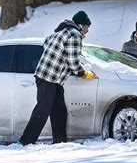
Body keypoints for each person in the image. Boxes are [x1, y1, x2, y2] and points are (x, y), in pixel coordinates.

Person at [18, 11, 97, 146]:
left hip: (51, 78)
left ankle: (60, 142)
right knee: (42, 110)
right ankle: (25, 141)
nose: (88, 30)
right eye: (87, 27)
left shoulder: (60, 32)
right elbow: (73, 61)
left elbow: (47, 43)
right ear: (80, 25)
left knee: (59, 110)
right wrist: (82, 73)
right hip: (49, 77)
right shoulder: (74, 35)